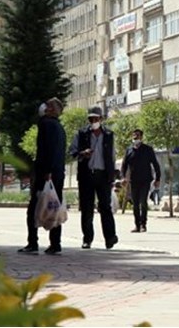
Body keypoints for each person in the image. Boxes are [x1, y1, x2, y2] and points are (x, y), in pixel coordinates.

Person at [19, 97, 67, 255]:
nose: (43, 107)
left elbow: (48, 150)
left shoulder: (46, 124)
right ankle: (55, 243)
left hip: (46, 174)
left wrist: (46, 172)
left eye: (47, 105)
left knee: (33, 208)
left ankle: (32, 243)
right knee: (55, 206)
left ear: (51, 109)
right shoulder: (60, 127)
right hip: (58, 173)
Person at [69, 106, 118, 250]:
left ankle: (110, 237)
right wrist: (82, 153)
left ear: (101, 119)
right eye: (91, 119)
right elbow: (72, 151)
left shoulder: (109, 134)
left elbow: (112, 156)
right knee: (87, 209)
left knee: (105, 208)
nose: (93, 121)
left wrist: (112, 176)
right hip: (86, 175)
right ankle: (87, 239)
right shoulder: (82, 133)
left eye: (96, 119)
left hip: (103, 175)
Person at [120, 129, 161, 233]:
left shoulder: (148, 149)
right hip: (134, 180)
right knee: (135, 203)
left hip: (145, 180)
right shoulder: (129, 150)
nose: (135, 138)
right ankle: (137, 225)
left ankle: (143, 224)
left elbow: (155, 164)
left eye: (137, 136)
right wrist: (123, 177)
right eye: (134, 136)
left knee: (143, 202)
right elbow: (124, 165)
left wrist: (157, 178)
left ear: (141, 137)